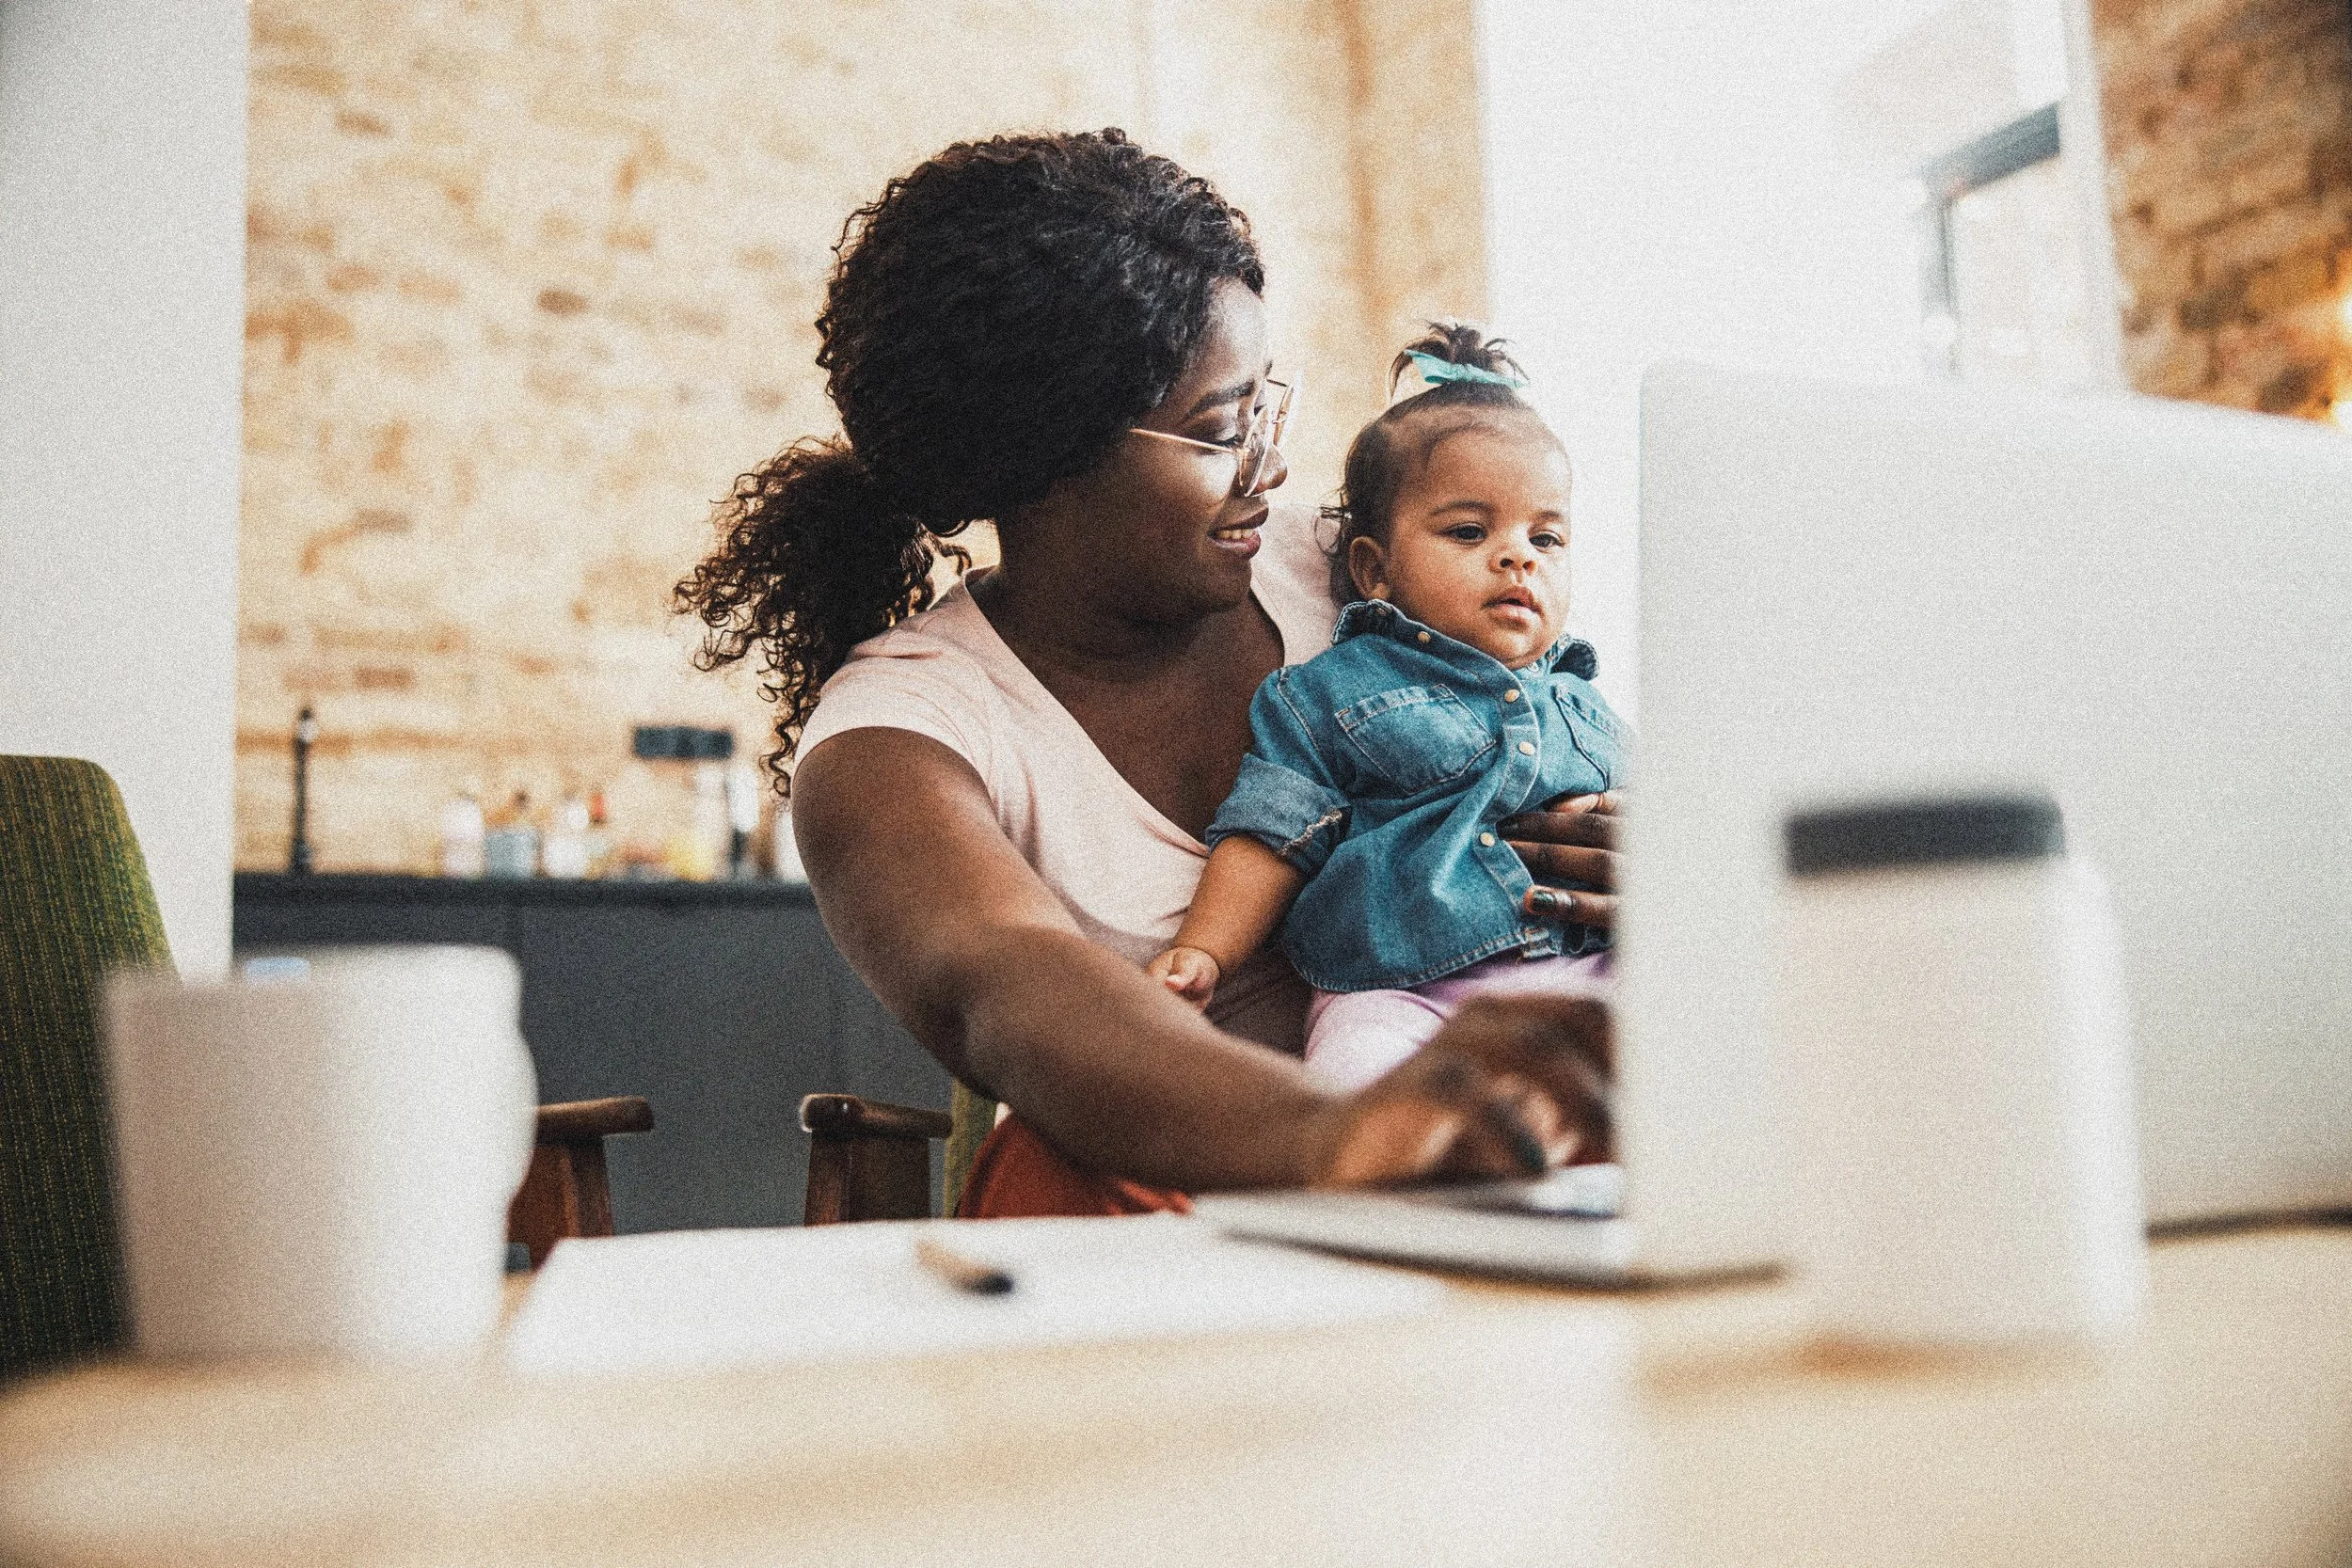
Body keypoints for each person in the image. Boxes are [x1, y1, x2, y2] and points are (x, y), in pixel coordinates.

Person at [675, 129, 1621, 1218]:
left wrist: (1655, 863)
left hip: (1509, 1193)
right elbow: (1006, 989)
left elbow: (1569, 719)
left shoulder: (1361, 570)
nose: (1270, 462)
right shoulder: (897, 741)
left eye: (1270, 404)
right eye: (1223, 427)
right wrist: (1347, 1133)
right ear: (1044, 459)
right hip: (1208, 1234)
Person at [1147, 325, 1625, 1094]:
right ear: (1376, 568)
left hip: (1588, 978)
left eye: (1547, 536)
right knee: (1354, 1090)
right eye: (1470, 532)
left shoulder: (1585, 702)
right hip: (1403, 992)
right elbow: (1273, 830)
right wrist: (1204, 951)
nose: (1519, 557)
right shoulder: (1333, 690)